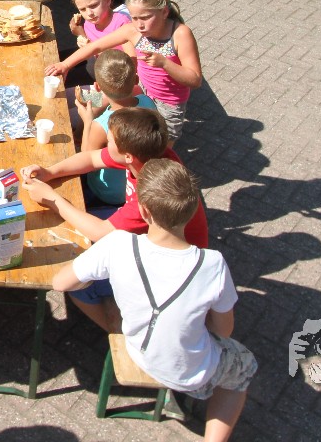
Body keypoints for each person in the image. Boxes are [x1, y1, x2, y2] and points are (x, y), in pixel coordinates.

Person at [53, 159, 256, 442]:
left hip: (138, 348)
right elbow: (224, 330)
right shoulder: (213, 264)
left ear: (144, 211)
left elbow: (60, 283)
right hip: (192, 371)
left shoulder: (118, 244)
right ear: (193, 209)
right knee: (244, 366)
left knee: (84, 288)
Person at [21, 107, 209, 321]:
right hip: (152, 235)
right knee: (79, 219)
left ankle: (120, 331)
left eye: (108, 141)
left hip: (169, 269)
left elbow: (100, 232)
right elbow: (91, 158)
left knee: (80, 286)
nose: (105, 143)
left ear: (128, 156)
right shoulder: (150, 156)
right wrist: (50, 172)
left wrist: (52, 199)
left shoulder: (150, 197)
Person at [47, 0, 202, 142]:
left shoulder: (180, 34)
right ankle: (82, 134)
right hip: (139, 91)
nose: (139, 25)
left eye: (145, 17)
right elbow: (95, 47)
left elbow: (195, 79)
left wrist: (165, 63)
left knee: (159, 147)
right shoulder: (132, 30)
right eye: (134, 18)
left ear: (164, 12)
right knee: (95, 102)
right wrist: (65, 65)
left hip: (168, 104)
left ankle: (86, 136)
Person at [75, 50, 156, 196]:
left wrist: (88, 121)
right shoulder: (147, 102)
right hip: (138, 186)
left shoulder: (100, 125)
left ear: (97, 87)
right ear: (136, 80)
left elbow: (86, 158)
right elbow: (122, 96)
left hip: (107, 192)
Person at [66, 0, 131, 81]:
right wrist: (84, 41)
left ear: (108, 0)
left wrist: (89, 45)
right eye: (82, 9)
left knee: (64, 81)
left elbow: (128, 63)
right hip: (94, 62)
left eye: (94, 5)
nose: (89, 13)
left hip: (111, 76)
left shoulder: (122, 24)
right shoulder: (90, 22)